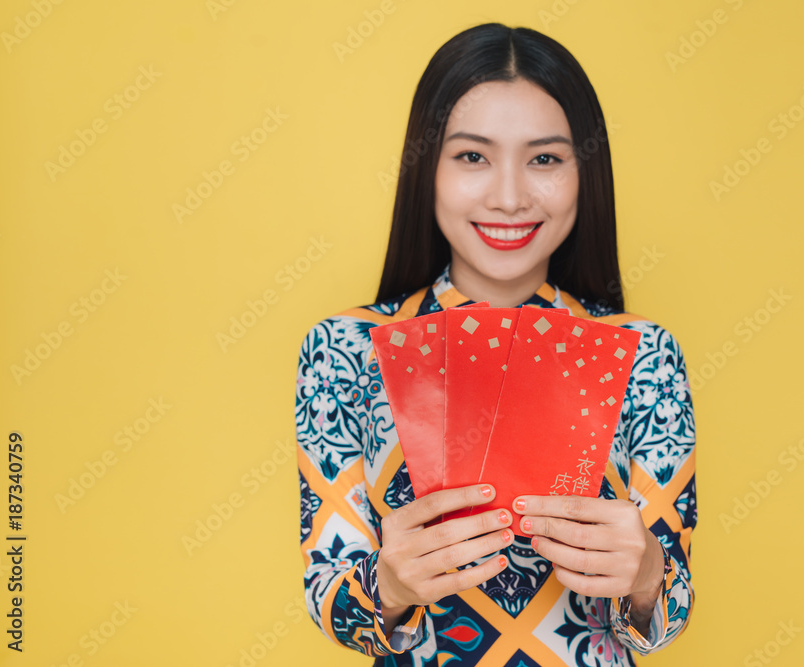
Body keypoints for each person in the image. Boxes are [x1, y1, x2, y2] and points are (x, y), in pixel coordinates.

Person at [294, 22, 697, 666]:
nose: (509, 198)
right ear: (427, 168)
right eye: (473, 156)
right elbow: (329, 599)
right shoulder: (344, 348)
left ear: (583, 173)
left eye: (545, 158)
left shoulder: (642, 351)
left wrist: (648, 575)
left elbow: (659, 623)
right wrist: (390, 585)